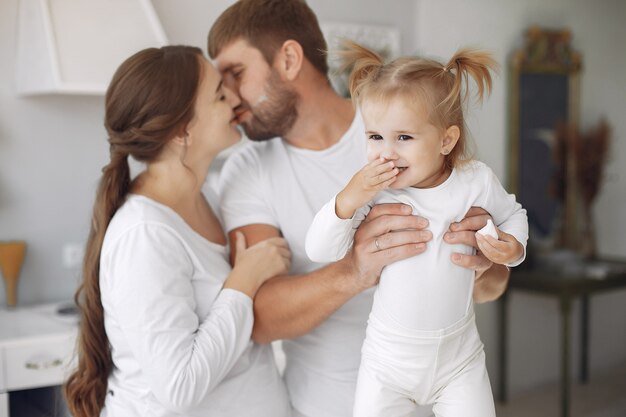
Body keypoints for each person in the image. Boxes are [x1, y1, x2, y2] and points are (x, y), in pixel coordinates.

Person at [208, 1, 512, 416]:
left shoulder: (409, 130)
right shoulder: (245, 172)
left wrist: (484, 261)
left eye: (235, 73)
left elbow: (493, 287)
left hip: (441, 395)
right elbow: (258, 318)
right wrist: (355, 269)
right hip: (322, 406)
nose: (226, 93)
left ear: (289, 59)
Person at [63, 45, 292, 417]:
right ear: (182, 130)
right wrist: (243, 282)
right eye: (220, 94)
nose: (235, 99)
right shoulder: (144, 235)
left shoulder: (212, 201)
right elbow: (180, 388)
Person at [305, 42, 528, 417]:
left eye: (403, 138)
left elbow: (513, 214)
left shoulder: (474, 180)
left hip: (459, 361)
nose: (386, 152)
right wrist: (348, 197)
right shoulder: (372, 193)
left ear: (446, 140)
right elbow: (320, 250)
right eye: (375, 137)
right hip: (387, 364)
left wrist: (514, 249)